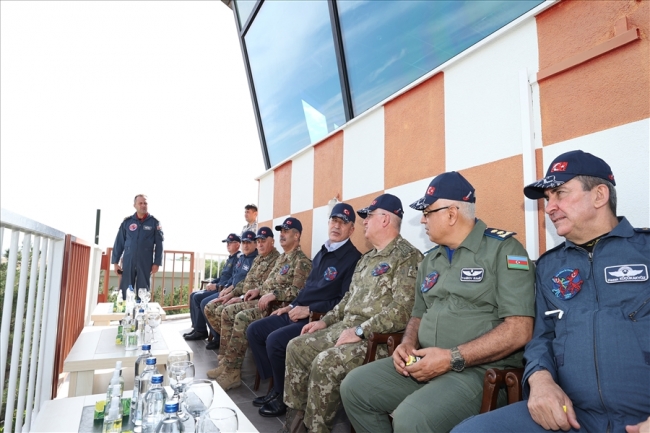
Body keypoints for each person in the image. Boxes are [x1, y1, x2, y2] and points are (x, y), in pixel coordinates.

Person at [451, 151, 650, 433]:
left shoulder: (646, 251)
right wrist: (540, 379)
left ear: (599, 195)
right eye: (547, 198)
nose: (550, 207)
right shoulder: (549, 266)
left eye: (559, 193)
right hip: (571, 416)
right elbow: (541, 338)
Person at [341, 171, 536, 433]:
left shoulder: (503, 250)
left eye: (428, 212)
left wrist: (451, 357)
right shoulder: (431, 260)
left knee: (412, 418)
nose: (422, 219)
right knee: (354, 387)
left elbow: (519, 329)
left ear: (451, 214)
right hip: (423, 361)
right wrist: (408, 343)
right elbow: (418, 314)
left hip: (479, 371)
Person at [284, 193, 424, 433]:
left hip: (376, 339)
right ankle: (300, 419)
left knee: (325, 362)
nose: (364, 222)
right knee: (296, 347)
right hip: (346, 328)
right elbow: (348, 298)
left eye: (368, 216)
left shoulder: (408, 257)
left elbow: (403, 310)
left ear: (385, 220)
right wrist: (326, 321)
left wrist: (360, 331)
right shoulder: (366, 258)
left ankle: (317, 428)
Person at [247, 203, 362, 418]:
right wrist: (290, 306)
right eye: (333, 221)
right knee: (255, 330)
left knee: (275, 341)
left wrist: (309, 310)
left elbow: (342, 301)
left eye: (343, 222)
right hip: (297, 311)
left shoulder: (353, 259)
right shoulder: (322, 252)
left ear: (352, 229)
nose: (336, 226)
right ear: (328, 223)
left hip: (316, 317)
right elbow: (307, 288)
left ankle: (282, 396)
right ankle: (276, 386)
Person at [213, 218, 312, 391]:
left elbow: (298, 292)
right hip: (261, 301)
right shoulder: (282, 258)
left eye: (286, 231)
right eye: (281, 231)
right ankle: (228, 364)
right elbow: (268, 283)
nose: (282, 235)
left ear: (296, 236)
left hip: (275, 307)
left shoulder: (301, 261)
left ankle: (233, 372)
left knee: (241, 317)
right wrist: (258, 290)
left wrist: (274, 295)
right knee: (227, 312)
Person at [203, 226, 280, 376]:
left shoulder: (275, 260)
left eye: (263, 241)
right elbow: (245, 283)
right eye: (258, 241)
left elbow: (263, 288)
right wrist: (231, 293)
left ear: (272, 242)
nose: (260, 244)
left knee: (227, 312)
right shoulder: (258, 259)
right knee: (212, 307)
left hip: (258, 300)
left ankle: (231, 366)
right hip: (245, 295)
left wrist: (240, 297)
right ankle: (226, 358)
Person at [184, 233, 242, 342]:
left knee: (199, 298)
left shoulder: (239, 259)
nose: (228, 245)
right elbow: (223, 276)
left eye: (230, 243)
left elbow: (234, 279)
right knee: (193, 295)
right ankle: (197, 328)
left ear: (238, 244)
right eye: (227, 243)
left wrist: (218, 286)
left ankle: (207, 333)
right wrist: (213, 282)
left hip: (224, 290)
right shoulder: (230, 258)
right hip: (219, 286)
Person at [111, 194, 164, 298]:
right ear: (134, 205)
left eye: (145, 203)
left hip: (145, 261)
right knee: (126, 290)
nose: (143, 205)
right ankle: (126, 311)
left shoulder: (154, 222)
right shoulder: (127, 222)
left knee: (143, 291)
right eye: (140, 203)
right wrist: (115, 262)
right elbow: (119, 242)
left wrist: (157, 263)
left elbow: (159, 245)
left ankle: (142, 312)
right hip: (128, 261)